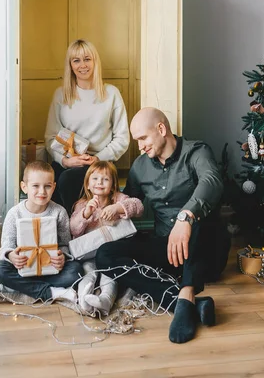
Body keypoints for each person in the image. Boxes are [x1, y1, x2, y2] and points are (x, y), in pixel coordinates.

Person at [95, 108, 230, 344]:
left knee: (200, 220)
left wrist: (185, 217)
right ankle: (182, 303)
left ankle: (188, 291)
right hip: (167, 251)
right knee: (105, 255)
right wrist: (106, 204)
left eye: (143, 138)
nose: (140, 146)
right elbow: (129, 203)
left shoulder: (197, 151)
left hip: (204, 251)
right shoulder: (140, 166)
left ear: (161, 129)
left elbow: (212, 181)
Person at [45, 39, 130, 214]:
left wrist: (97, 159)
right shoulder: (61, 94)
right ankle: (62, 229)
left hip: (100, 162)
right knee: (50, 178)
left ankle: (78, 226)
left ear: (95, 61)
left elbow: (122, 138)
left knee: (67, 180)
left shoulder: (111, 93)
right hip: (68, 159)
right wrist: (66, 161)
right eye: (76, 60)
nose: (82, 65)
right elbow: (50, 137)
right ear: (70, 65)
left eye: (87, 59)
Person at [0, 160, 82, 303]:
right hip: (23, 267)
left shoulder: (59, 212)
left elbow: (65, 243)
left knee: (75, 271)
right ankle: (50, 291)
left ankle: (18, 286)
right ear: (24, 187)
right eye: (35, 186)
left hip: (50, 267)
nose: (42, 191)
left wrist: (62, 256)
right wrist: (11, 255)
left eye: (47, 186)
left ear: (54, 187)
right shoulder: (14, 214)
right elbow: (6, 246)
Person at [70, 160, 144, 315]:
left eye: (105, 179)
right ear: (88, 184)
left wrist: (117, 208)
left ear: (113, 184)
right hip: (89, 254)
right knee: (88, 272)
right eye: (95, 179)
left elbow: (138, 206)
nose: (100, 183)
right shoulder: (82, 204)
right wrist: (86, 214)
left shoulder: (118, 199)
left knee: (109, 275)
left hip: (112, 255)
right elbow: (74, 230)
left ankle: (105, 300)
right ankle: (84, 299)